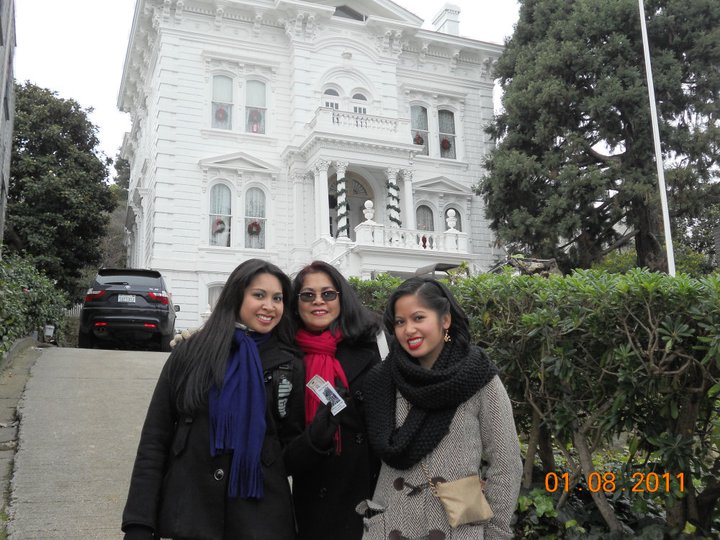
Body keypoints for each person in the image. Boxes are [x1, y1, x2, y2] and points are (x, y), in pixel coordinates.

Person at [121, 259, 304, 540]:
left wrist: (317, 439)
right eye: (259, 295)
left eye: (278, 298)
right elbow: (155, 440)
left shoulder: (289, 362)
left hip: (261, 521)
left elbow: (290, 447)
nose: (270, 306)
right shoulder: (190, 353)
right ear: (236, 295)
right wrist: (139, 522)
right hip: (191, 515)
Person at [361, 277, 522, 540]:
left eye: (418, 318)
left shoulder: (477, 376)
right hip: (390, 524)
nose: (408, 330)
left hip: (457, 528)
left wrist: (495, 533)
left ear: (444, 320)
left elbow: (506, 464)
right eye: (400, 322)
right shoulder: (382, 379)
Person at [284, 260, 384, 540]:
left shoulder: (373, 343)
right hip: (314, 499)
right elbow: (279, 449)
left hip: (372, 499)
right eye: (308, 295)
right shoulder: (286, 356)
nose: (319, 302)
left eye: (328, 294)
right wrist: (315, 439)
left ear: (341, 298)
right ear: (296, 302)